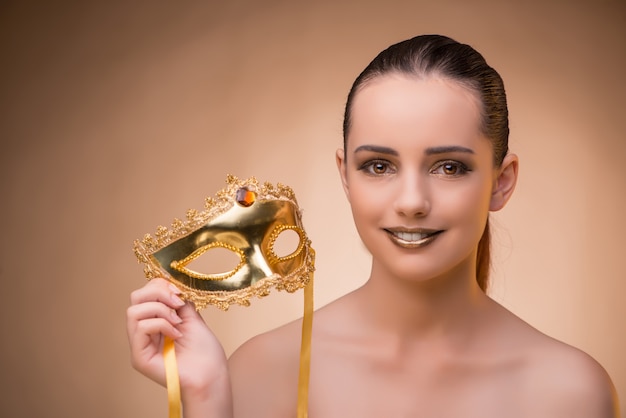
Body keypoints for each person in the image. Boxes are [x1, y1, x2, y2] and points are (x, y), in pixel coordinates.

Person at [126, 34, 620, 417]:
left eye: (449, 166)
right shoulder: (261, 370)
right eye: (379, 166)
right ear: (345, 175)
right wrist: (206, 394)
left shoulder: (570, 391)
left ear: (501, 181)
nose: (410, 202)